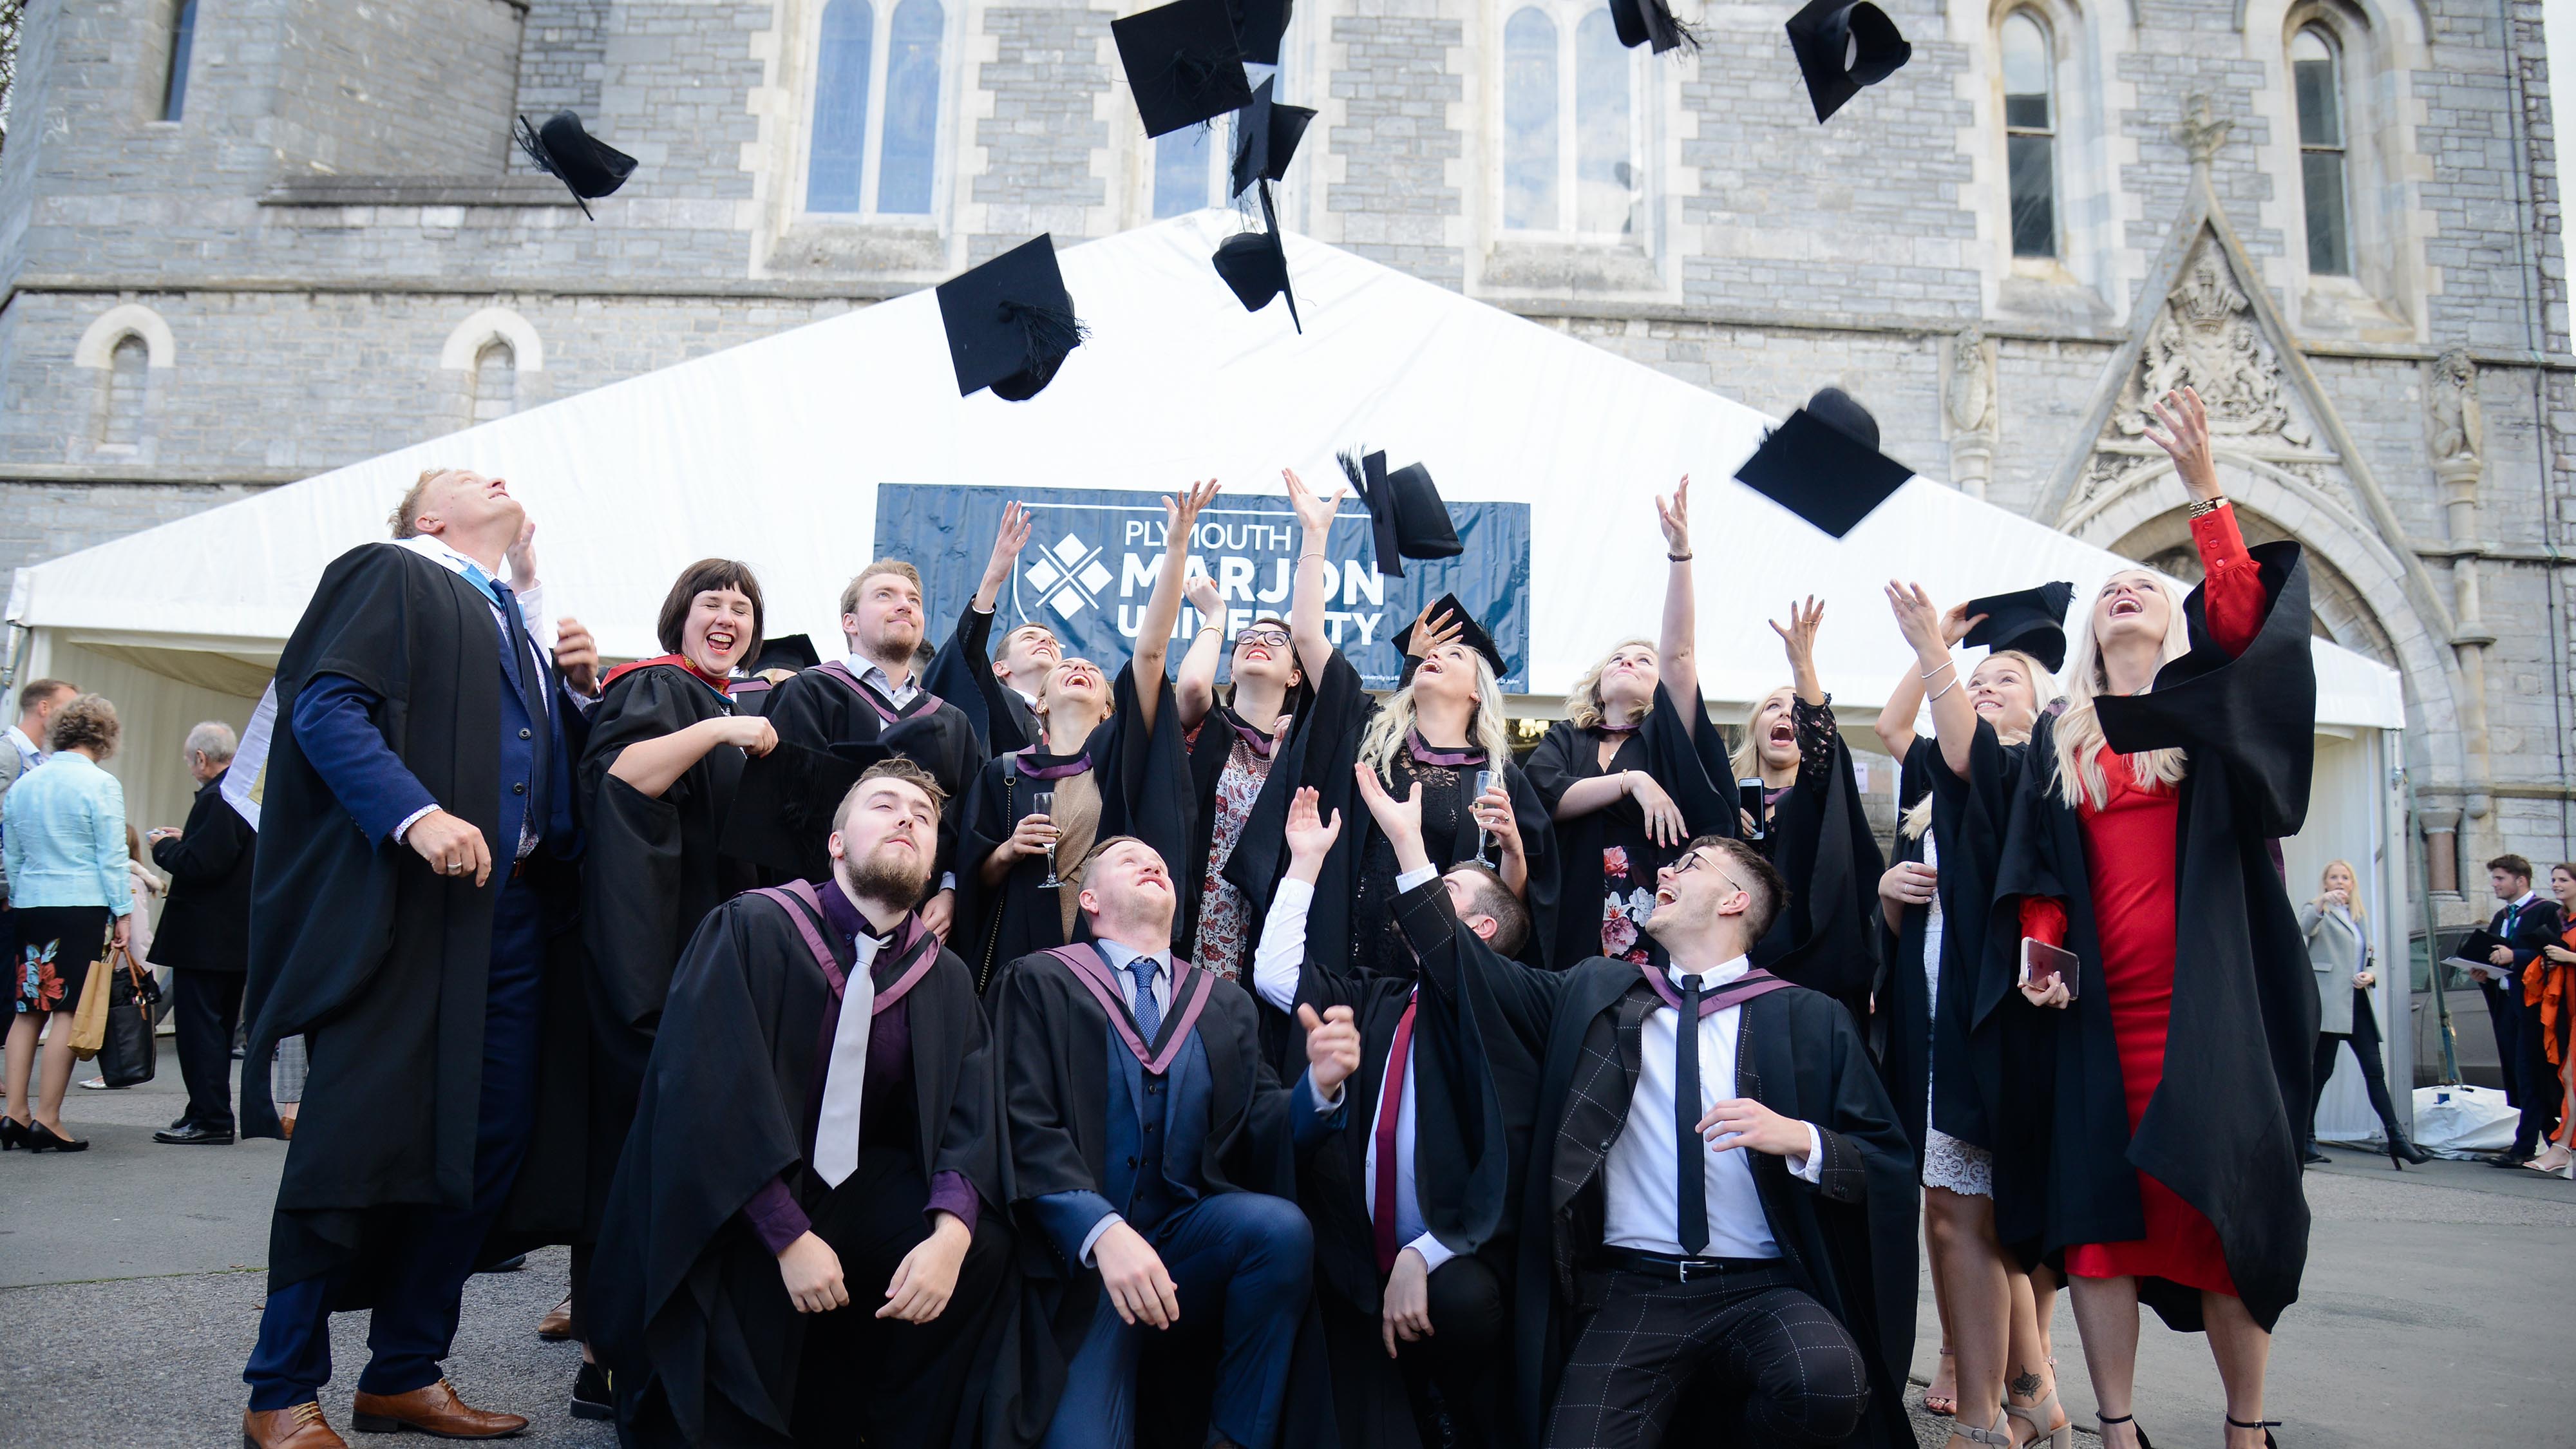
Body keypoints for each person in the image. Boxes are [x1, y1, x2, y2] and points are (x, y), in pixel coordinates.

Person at [234, 467, 600, 1448]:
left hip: (514, 916)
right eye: (468, 474)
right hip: (412, 905)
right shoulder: (391, 569)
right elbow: (325, 709)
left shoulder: (508, 617)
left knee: (483, 1146)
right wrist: (415, 812)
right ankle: (280, 1386)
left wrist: (569, 689)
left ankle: (402, 1371)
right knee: (354, 1141)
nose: (501, 475)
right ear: (430, 516)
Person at [1387, 791, 1917, 1449]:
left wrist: (1802, 1139)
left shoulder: (1810, 1020)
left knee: (1828, 1384)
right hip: (1635, 1292)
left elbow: (1885, 1165)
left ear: (1733, 902)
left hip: (1760, 1287)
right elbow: (1464, 972)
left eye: (1690, 865)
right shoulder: (1595, 996)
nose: (1663, 872)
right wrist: (1410, 849)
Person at [2002, 388, 2316, 1449]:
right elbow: (2040, 868)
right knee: (2100, 1229)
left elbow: (2247, 633)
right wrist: (2039, 953)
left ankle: (2246, 1427)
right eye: (2111, 588)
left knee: (2219, 1216)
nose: (2127, 590)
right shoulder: (2065, 736)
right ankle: (2121, 1428)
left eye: (2148, 583)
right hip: (2101, 1022)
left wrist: (2201, 495)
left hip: (2208, 1015)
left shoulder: (2210, 713)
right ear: (2092, 630)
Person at [591, 760, 1016, 1446]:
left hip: (846, 1190)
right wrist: (787, 1236)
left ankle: (882, 1423)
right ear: (837, 842)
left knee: (982, 1244)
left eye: (924, 816)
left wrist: (950, 1236)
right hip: (734, 1200)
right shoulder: (754, 927)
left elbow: (969, 1113)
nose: (908, 817)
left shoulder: (942, 977)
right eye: (884, 805)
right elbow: (707, 1095)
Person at [993, 834, 1361, 1449]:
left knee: (1278, 1230)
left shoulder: (1224, 1004)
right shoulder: (1039, 982)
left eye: (1160, 859)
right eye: (1126, 858)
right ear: (1089, 899)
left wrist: (1319, 1088)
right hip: (1081, 1267)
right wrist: (1099, 1230)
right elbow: (1020, 1120)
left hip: (1186, 1250)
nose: (1152, 861)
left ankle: (1234, 1438)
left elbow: (1265, 1129)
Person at [1251, 786, 1524, 1448]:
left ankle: (1450, 1407)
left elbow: (1510, 1162)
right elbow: (1274, 978)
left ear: (1481, 928)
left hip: (1451, 1257)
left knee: (1462, 1305)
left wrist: (1420, 1254)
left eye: (1445, 890)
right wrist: (1305, 863)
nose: (1416, 899)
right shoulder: (1381, 997)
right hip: (1351, 1250)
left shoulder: (1507, 1015)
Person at [570, 556, 774, 1416]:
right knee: (634, 1156)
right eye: (712, 604)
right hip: (652, 962)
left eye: (743, 608)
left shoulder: (735, 698)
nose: (728, 618)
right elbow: (625, 781)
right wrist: (723, 731)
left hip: (713, 958)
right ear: (679, 619)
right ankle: (608, 1357)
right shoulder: (658, 688)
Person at [1229, 466, 1558, 983]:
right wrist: (1315, 537)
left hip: (1429, 970)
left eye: (1454, 655)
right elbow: (1310, 639)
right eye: (1430, 653)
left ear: (1478, 691)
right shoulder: (1367, 732)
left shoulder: (1496, 778)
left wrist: (1514, 848)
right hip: (1341, 952)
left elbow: (1507, 907)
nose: (1435, 657)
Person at [1874, 594, 2068, 1449]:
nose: (1986, 685)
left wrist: (1936, 652)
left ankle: (1997, 1412)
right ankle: (2035, 1402)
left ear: (2044, 702)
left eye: (2006, 677)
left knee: (1980, 1214)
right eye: (1977, 678)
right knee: (1958, 1214)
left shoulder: (2037, 771)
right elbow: (1892, 725)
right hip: (1933, 1004)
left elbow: (2057, 909)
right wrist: (1935, 653)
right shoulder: (1947, 783)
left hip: (1997, 1013)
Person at [954, 483, 1209, 992]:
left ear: (1110, 706)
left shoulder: (1117, 755)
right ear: (1039, 701)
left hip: (1103, 954)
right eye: (1066, 666)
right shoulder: (1004, 773)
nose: (1079, 668)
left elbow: (1152, 653)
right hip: (1017, 956)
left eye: (1092, 668)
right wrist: (1007, 851)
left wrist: (1177, 544)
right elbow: (972, 878)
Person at [1527, 477, 1739, 973]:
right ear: (1598, 685)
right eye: (1616, 659)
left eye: (1644, 660)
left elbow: (1681, 654)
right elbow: (1544, 797)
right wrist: (1632, 782)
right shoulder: (1567, 737)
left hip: (1651, 917)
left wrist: (1680, 555)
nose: (1627, 662)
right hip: (1569, 913)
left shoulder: (1668, 734)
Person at [764, 556, 987, 939]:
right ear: (850, 622)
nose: (904, 605)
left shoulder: (952, 721)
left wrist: (951, 891)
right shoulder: (809, 693)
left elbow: (965, 821)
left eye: (914, 600)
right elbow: (788, 809)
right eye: (885, 595)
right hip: (818, 915)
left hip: (920, 922)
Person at [1732, 598, 1884, 1024]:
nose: (1785, 714)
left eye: (1793, 707)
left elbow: (1823, 751)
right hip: (1731, 968)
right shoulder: (1723, 801)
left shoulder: (1820, 794)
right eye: (1773, 707)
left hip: (1808, 975)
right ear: (1755, 729)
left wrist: (1803, 666)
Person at [1, 694, 133, 1153]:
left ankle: (14, 1111)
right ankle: (49, 1118)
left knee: (27, 1009)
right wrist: (124, 911)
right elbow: (112, 856)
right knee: (67, 1010)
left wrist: (22, 895)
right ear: (105, 736)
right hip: (79, 904)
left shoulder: (26, 785)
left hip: (31, 903)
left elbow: (12, 855)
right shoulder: (100, 785)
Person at [1170, 563, 1313, 982]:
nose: (1258, 643)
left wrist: (1291, 752)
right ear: (1230, 669)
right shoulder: (1209, 730)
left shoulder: (1303, 751)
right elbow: (1194, 686)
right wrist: (1215, 615)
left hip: (1270, 936)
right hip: (1197, 924)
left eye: (1276, 640)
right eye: (1246, 639)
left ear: (1294, 675)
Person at [146, 721, 259, 1145]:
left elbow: (203, 865)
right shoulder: (244, 792)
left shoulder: (217, 798)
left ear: (200, 758)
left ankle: (210, 1118)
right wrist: (187, 840)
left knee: (201, 1032)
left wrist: (163, 846)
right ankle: (203, 1110)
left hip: (204, 938)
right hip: (234, 935)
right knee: (219, 1026)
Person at [2297, 860, 2429, 1170]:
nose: (2340, 882)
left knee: (2374, 1071)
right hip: (2330, 1004)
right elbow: (2303, 928)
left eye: (2345, 877)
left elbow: (2368, 957)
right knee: (2320, 1073)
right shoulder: (2318, 909)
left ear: (2353, 883)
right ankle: (2305, 1139)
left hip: (2357, 1003)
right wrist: (2321, 903)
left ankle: (2397, 1138)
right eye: (2333, 877)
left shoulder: (2358, 917)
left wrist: (2370, 974)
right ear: (2325, 882)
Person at [925, 501, 1053, 756]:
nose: (1046, 643)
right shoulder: (991, 701)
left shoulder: (1080, 713)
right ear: (1000, 667)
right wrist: (993, 578)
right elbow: (964, 658)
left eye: (1051, 641)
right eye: (1030, 638)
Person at [2476, 853, 2568, 1166]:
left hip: (2535, 1006)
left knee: (2532, 1075)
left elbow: (2554, 951)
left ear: (2521, 880)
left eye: (2500, 879)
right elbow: (2492, 954)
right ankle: (2555, 1138)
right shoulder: (2503, 915)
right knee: (2518, 1075)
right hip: (2507, 1004)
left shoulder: (2547, 911)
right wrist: (2483, 971)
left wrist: (2514, 955)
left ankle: (2525, 1146)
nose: (2495, 885)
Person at [2523, 864, 2576, 1175]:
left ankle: (2561, 1148)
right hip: (2569, 1010)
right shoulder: (2563, 921)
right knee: (2569, 1077)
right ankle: (2562, 1148)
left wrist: (2568, 957)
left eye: (2563, 880)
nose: (2555, 885)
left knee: (2572, 1077)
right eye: (2553, 880)